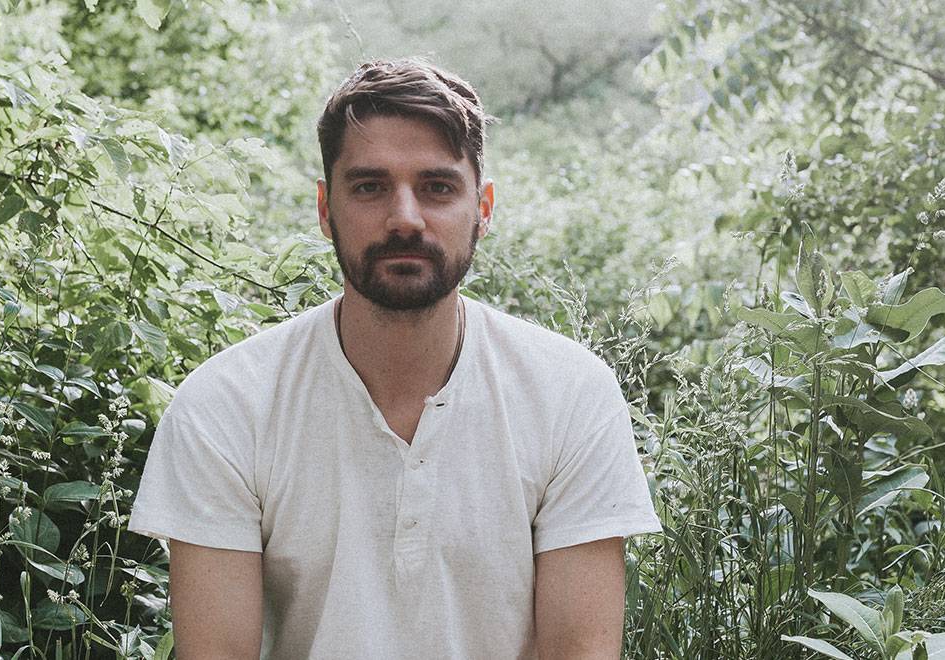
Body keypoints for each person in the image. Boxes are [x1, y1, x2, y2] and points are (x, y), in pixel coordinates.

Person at [128, 57, 661, 659]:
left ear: (483, 208)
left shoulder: (570, 395)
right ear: (326, 209)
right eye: (369, 186)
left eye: (437, 187)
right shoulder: (226, 405)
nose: (404, 218)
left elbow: (580, 653)